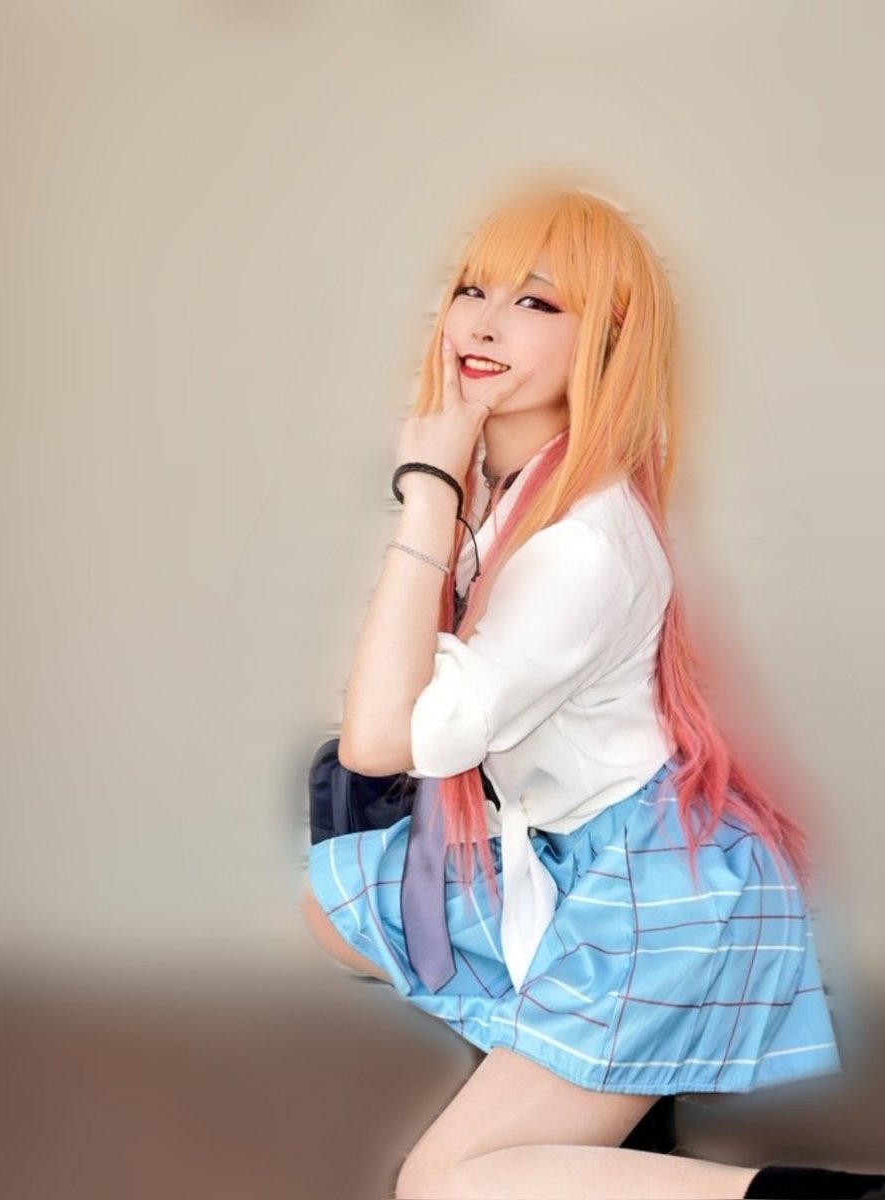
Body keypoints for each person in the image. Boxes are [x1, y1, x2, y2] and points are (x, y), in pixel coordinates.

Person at [300, 183, 884, 1199]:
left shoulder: (580, 547)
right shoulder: (520, 495)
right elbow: (384, 718)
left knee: (442, 1184)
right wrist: (449, 491)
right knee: (333, 898)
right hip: (570, 851)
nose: (485, 323)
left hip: (655, 891)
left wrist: (425, 488)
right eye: (473, 290)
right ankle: (588, 1091)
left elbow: (380, 741)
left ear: (606, 342)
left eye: (535, 301)